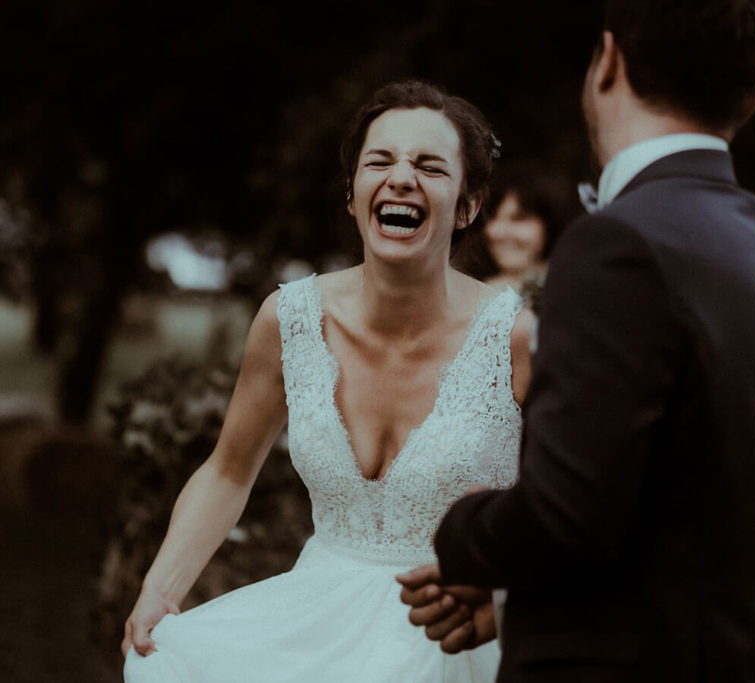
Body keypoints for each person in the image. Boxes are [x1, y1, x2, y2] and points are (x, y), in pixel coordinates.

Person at [398, 1, 755, 681]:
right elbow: (691, 509)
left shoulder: (619, 243)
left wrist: (461, 532)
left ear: (607, 62)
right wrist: (522, 606)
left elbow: (567, 514)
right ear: (753, 96)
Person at [122, 80, 534, 682]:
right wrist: (161, 586)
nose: (400, 178)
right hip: (315, 629)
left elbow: (578, 507)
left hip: (458, 639)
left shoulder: (519, 339)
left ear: (467, 206)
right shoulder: (288, 320)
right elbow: (228, 470)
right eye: (380, 161)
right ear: (351, 193)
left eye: (429, 166)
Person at [478, 168, 570, 311]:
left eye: (519, 218)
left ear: (549, 224)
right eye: (493, 217)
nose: (499, 232)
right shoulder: (473, 296)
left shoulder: (573, 288)